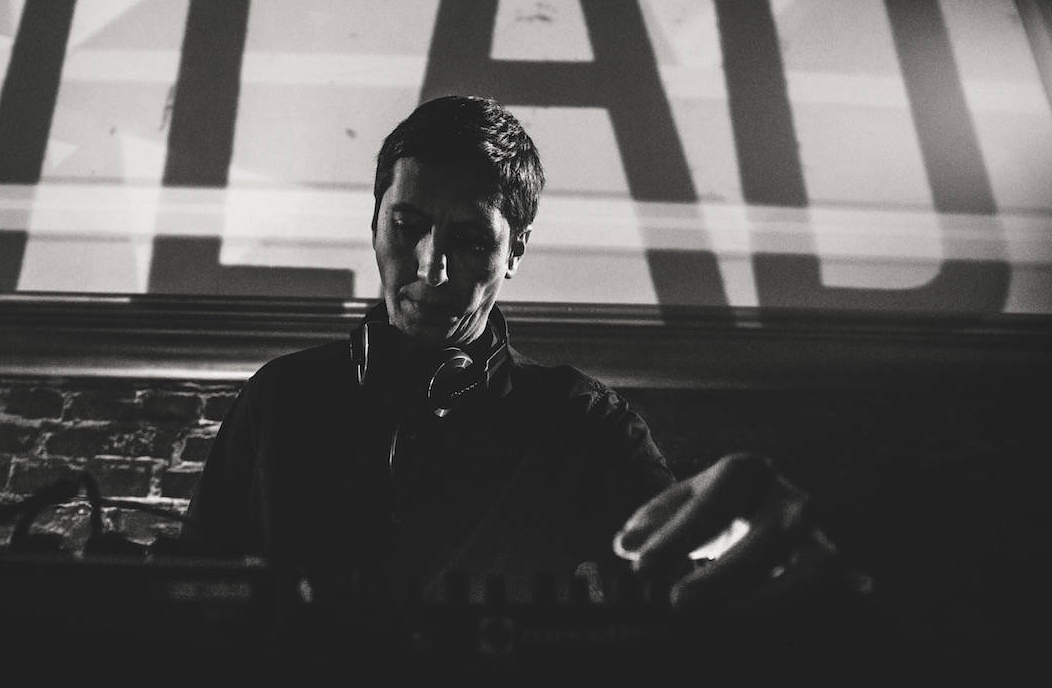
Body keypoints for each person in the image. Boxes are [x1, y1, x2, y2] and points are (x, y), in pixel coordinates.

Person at [181, 95, 885, 672]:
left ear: (515, 250)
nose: (431, 268)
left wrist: (766, 558)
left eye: (470, 240)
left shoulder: (587, 426)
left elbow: (691, 584)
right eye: (407, 225)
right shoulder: (280, 397)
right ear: (374, 225)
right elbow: (184, 600)